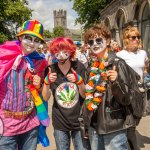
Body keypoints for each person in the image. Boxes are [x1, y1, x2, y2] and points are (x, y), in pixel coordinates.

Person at [81, 23, 136, 150]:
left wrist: (116, 81)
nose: (94, 44)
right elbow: (87, 97)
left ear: (108, 41)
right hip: (94, 127)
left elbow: (126, 99)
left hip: (113, 128)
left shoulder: (118, 64)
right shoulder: (91, 68)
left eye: (99, 40)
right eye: (91, 42)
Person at [0, 20, 49, 149]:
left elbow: (39, 94)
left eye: (36, 40)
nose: (32, 43)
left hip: (30, 124)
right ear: (20, 37)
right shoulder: (4, 56)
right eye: (28, 38)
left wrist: (39, 85)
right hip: (6, 126)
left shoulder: (39, 62)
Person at [42, 37, 91, 150]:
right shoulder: (50, 70)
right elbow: (45, 97)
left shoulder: (78, 67)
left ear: (71, 51)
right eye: (57, 52)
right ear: (53, 53)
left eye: (65, 52)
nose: (61, 56)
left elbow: (84, 95)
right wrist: (46, 82)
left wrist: (79, 81)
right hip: (60, 121)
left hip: (79, 120)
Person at [116, 26, 149, 150]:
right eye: (133, 37)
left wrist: (146, 76)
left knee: (137, 117)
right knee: (130, 124)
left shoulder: (143, 53)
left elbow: (144, 67)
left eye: (138, 37)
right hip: (127, 92)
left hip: (140, 92)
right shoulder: (120, 55)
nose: (137, 39)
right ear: (126, 39)